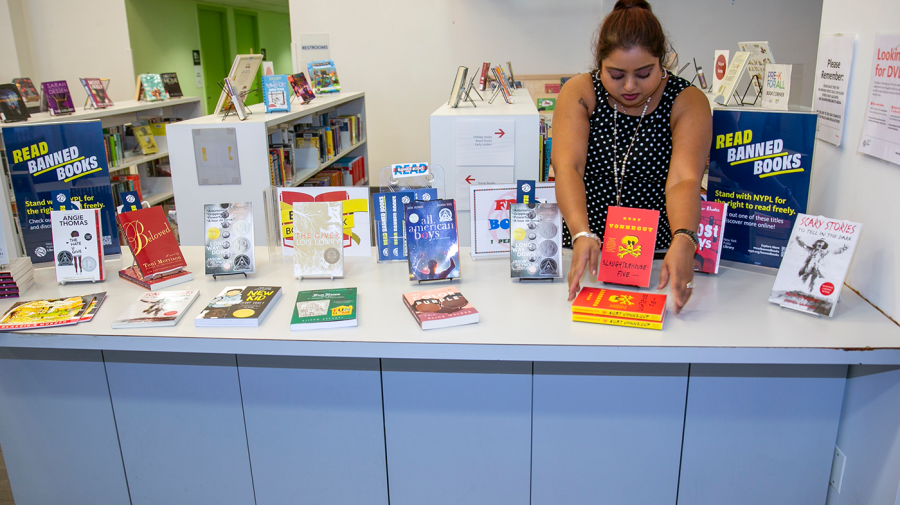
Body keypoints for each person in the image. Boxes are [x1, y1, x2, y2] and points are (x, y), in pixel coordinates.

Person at [553, 0, 712, 314]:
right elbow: (568, 167)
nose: (629, 86)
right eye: (615, 74)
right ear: (599, 64)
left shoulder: (687, 100)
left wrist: (684, 238)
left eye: (643, 73)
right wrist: (581, 231)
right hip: (587, 251)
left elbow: (684, 179)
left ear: (662, 61)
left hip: (660, 256)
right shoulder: (580, 93)